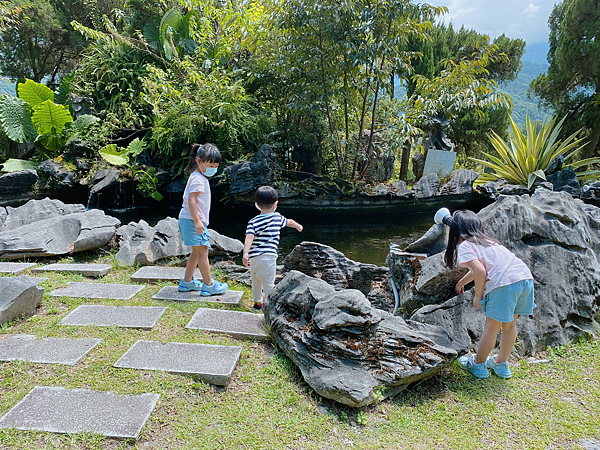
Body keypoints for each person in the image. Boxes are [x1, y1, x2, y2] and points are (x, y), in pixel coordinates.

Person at [444, 209, 535, 379]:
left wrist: (478, 296)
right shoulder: (489, 242)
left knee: (492, 328)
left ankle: (478, 364)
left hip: (504, 284)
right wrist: (461, 283)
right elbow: (481, 269)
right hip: (524, 279)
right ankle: (501, 364)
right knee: (510, 325)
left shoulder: (466, 245)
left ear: (456, 230)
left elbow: (480, 271)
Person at [178, 143, 228, 295]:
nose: (213, 168)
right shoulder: (198, 179)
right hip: (193, 221)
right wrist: (198, 222)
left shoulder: (198, 176)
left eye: (216, 165)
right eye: (210, 165)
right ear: (199, 161)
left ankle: (187, 282)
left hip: (188, 220)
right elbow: (192, 201)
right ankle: (208, 285)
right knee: (203, 252)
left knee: (196, 252)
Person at [242, 186, 303, 310]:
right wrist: (298, 226)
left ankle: (258, 303)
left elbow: (249, 237)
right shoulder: (277, 218)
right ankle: (270, 307)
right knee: (269, 284)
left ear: (257, 205)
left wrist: (245, 253)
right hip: (268, 258)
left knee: (256, 282)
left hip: (254, 258)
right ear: (276, 204)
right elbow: (289, 222)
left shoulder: (253, 221)